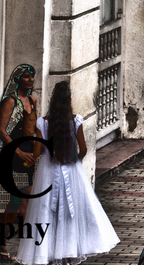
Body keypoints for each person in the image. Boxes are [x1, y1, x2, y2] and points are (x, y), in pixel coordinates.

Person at [15, 80, 119, 264]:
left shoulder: (43, 123)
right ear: (69, 100)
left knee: (46, 211)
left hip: (48, 171)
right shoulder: (76, 120)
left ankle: (46, 251)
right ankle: (69, 248)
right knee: (71, 211)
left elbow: (38, 152)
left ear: (53, 101)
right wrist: (75, 160)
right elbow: (84, 149)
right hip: (71, 171)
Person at [0, 64, 38, 253]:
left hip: (29, 155)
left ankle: (3, 242)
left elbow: (32, 128)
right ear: (16, 79)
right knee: (20, 200)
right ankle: (9, 243)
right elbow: (1, 131)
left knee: (21, 199)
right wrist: (19, 152)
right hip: (14, 154)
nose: (30, 80)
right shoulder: (10, 101)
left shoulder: (32, 100)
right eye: (25, 77)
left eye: (32, 76)